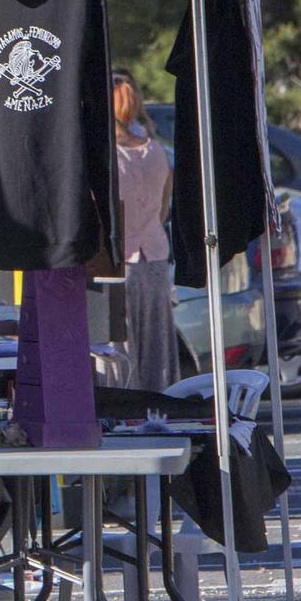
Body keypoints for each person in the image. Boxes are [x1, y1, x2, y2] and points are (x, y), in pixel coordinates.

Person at [113, 71, 176, 392]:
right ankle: (159, 403)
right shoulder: (156, 151)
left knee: (122, 348)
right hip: (154, 257)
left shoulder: (109, 158)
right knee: (156, 345)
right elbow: (164, 209)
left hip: (118, 261)